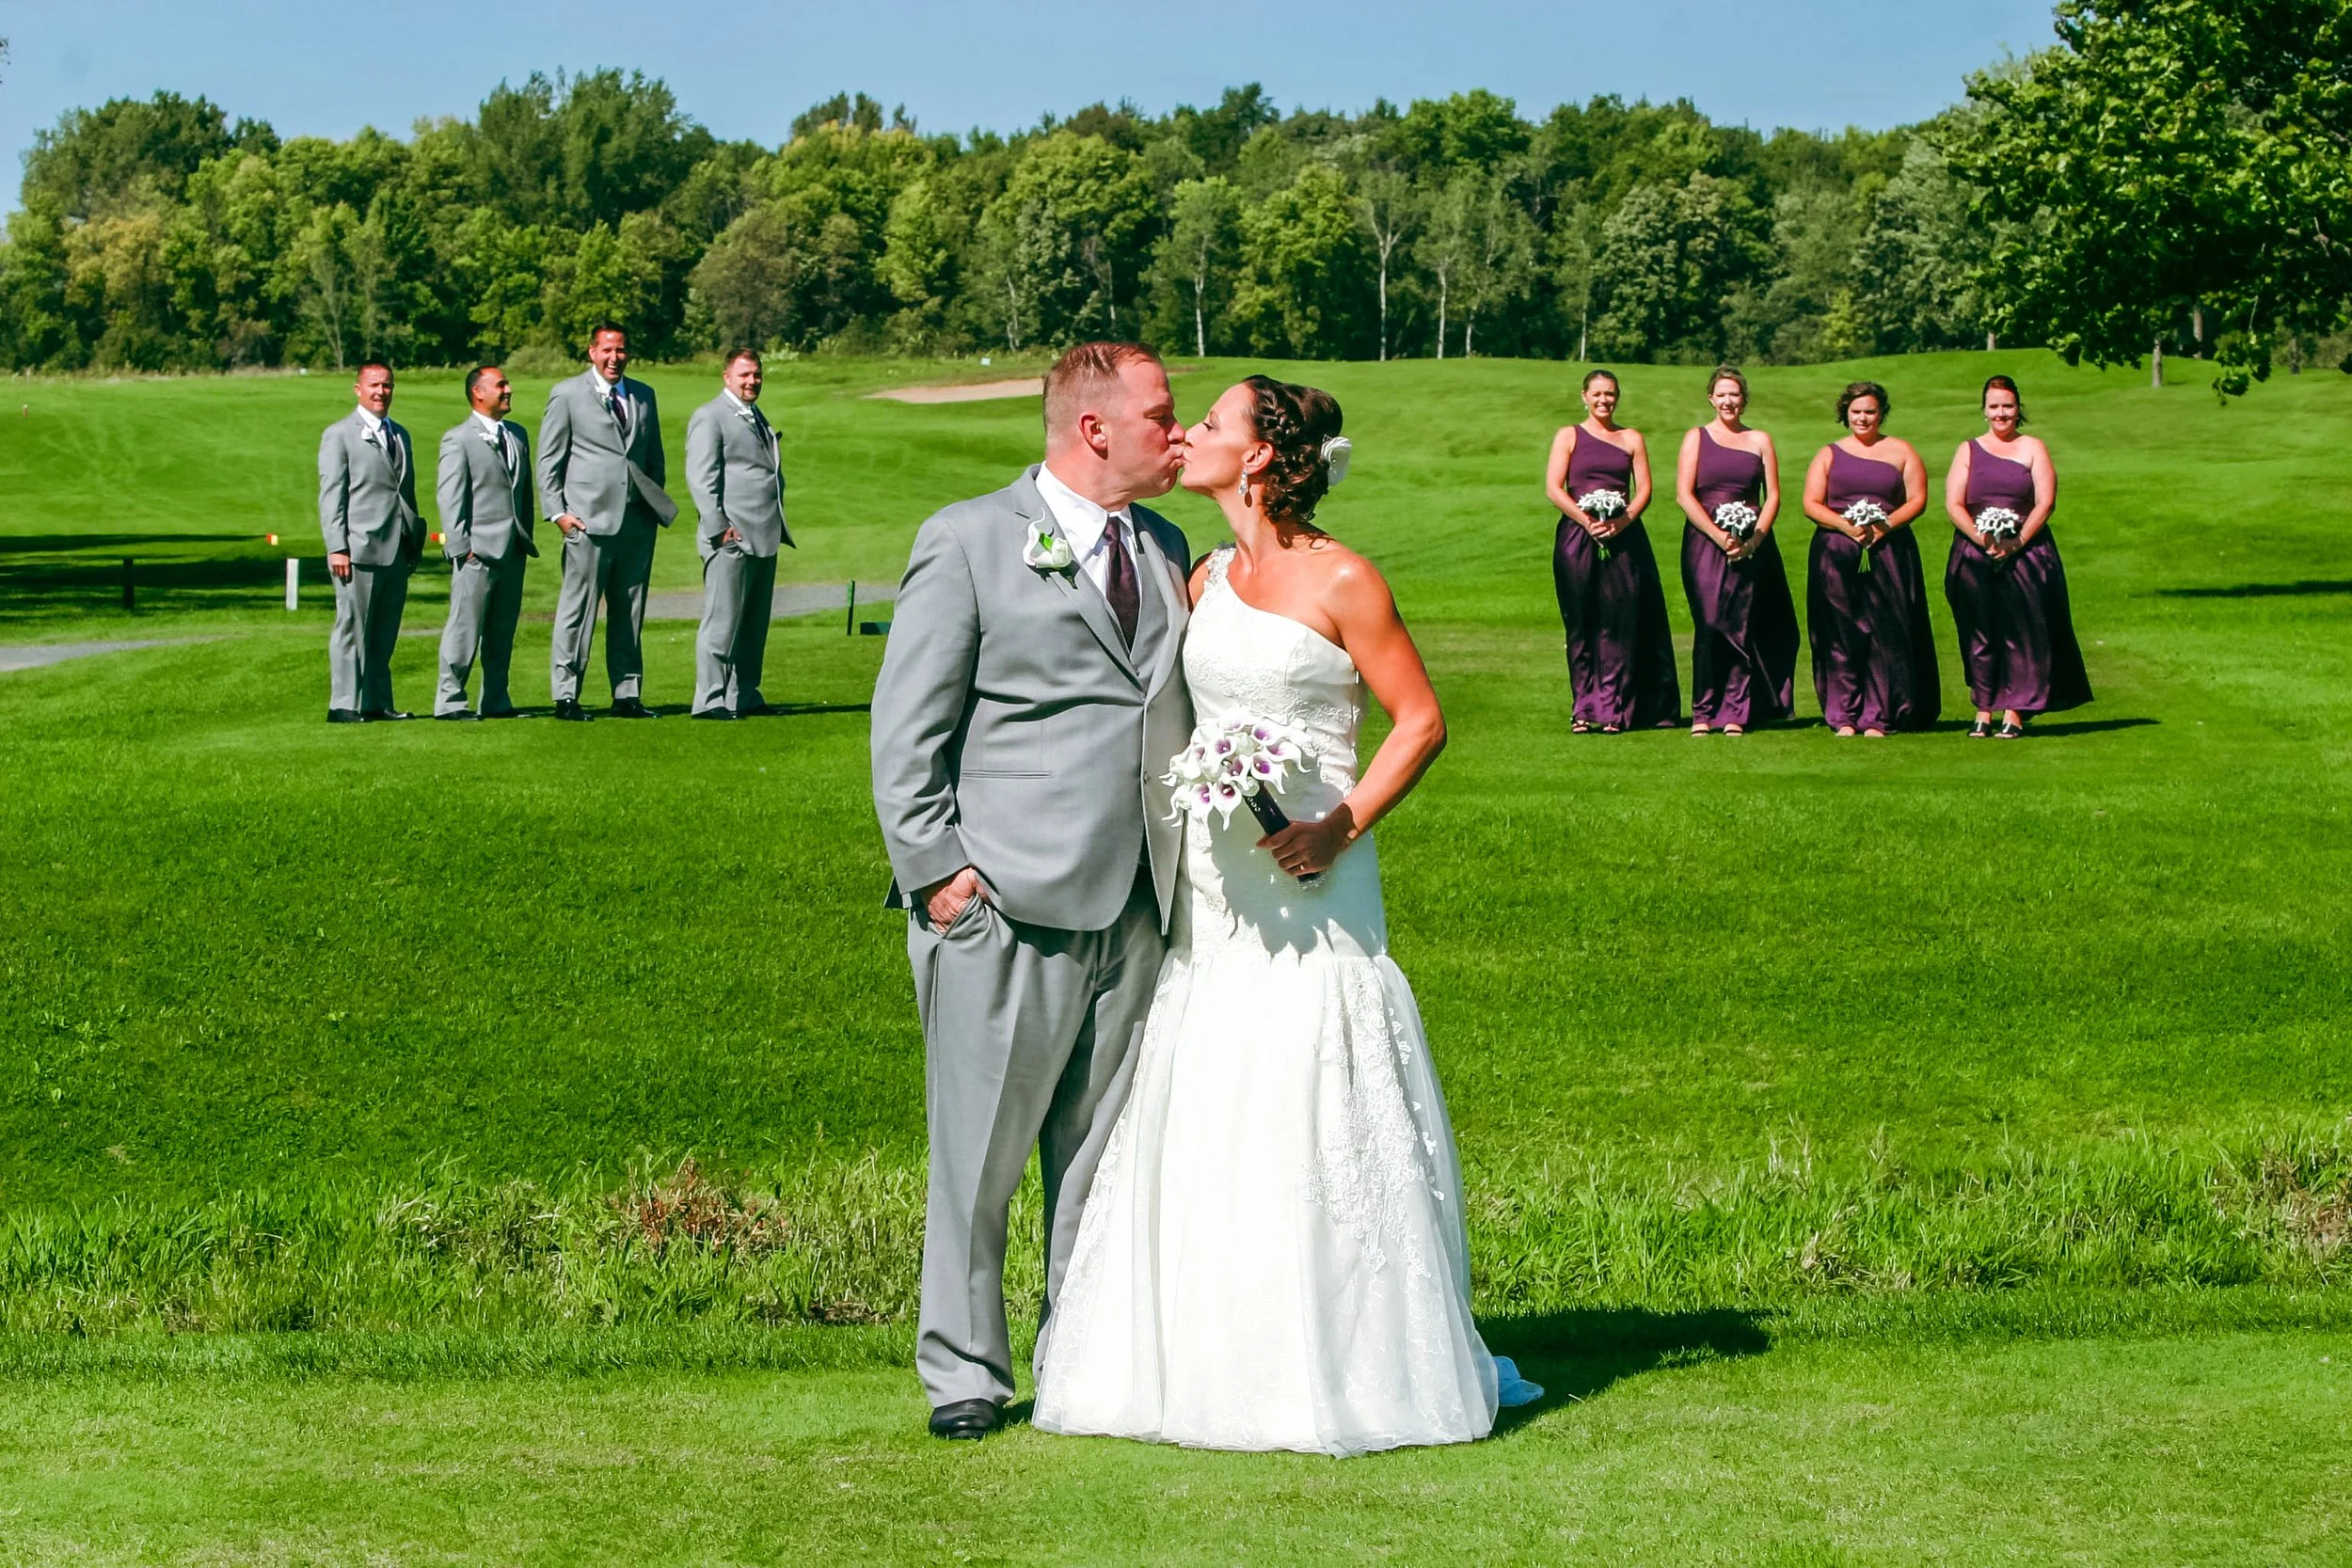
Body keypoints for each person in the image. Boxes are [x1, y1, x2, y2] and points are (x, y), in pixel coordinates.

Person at [1034, 374, 1540, 1457]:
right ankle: (1206, 1354)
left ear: (1262, 454)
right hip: (1213, 894)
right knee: (1216, 1074)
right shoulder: (1205, 571)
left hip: (1317, 878)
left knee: (1314, 1071)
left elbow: (1420, 721)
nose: (1190, 434)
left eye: (1210, 423)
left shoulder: (1344, 576)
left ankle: (1347, 1357)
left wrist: (1338, 824)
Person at [868, 341, 1194, 1443]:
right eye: (1161, 414)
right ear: (1094, 426)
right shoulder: (965, 540)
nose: (1177, 430)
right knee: (979, 1160)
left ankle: (1079, 1357)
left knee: (1098, 1162)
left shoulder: (1163, 542)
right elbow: (905, 731)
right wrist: (939, 875)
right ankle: (962, 1369)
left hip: (1139, 901)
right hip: (1000, 902)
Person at [539, 323, 676, 721]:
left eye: (621, 350)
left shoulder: (644, 395)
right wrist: (559, 514)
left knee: (630, 611)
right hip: (586, 522)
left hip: (636, 521)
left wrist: (651, 507)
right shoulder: (566, 395)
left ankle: (627, 694)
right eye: (607, 350)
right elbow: (549, 460)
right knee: (577, 611)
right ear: (592, 352)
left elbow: (654, 458)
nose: (615, 358)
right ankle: (566, 695)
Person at [1942, 375, 2092, 737]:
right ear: (1984, 410)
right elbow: (1953, 503)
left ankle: (2015, 711)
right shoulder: (1968, 449)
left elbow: (2046, 502)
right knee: (1979, 632)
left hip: (2027, 554)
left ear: (2018, 409)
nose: (2001, 413)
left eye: (2007, 406)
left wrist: (2017, 541)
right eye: (1994, 406)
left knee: (2023, 634)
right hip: (1974, 555)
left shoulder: (2034, 448)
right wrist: (1982, 539)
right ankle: (1983, 708)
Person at [1801, 381, 1940, 736]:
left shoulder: (1901, 450)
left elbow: (1917, 500)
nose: (1863, 418)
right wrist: (1846, 527)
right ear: (1845, 414)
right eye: (1856, 412)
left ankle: (1880, 714)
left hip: (1890, 552)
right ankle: (1843, 714)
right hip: (1835, 553)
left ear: (1881, 413)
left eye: (1870, 412)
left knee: (1885, 632)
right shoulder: (1828, 454)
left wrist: (1885, 525)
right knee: (1841, 632)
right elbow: (1811, 503)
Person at [1545, 369, 1679, 732]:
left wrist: (1622, 521)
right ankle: (1583, 709)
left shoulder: (1631, 437)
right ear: (1584, 397)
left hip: (1625, 539)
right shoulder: (1568, 435)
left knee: (1620, 622)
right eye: (1598, 394)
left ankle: (1615, 709)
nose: (1605, 400)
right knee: (1581, 621)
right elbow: (1554, 488)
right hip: (1577, 538)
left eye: (1611, 394)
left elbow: (1645, 489)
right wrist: (1586, 520)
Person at [1674, 366, 1800, 734]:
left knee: (1743, 624)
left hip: (1753, 542)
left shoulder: (1760, 439)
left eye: (1735, 394)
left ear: (1744, 399)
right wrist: (1717, 535)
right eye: (1722, 394)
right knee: (1711, 623)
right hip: (1704, 543)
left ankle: (1736, 712)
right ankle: (1703, 710)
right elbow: (1685, 494)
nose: (1729, 400)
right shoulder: (1696, 438)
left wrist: (1754, 539)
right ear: (1711, 398)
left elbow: (1773, 494)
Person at [686, 348, 793, 719]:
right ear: (726, 376)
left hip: (763, 532)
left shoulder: (756, 415)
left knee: (752, 625)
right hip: (730, 536)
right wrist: (719, 529)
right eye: (744, 375)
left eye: (757, 374)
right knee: (722, 621)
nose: (752, 381)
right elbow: (702, 479)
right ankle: (711, 699)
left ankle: (744, 694)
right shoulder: (710, 416)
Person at [316, 360, 424, 723]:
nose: (382, 392)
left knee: (384, 630)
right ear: (358, 389)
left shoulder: (400, 435)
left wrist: (413, 540)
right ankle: (343, 703)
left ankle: (377, 702)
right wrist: (337, 546)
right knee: (352, 627)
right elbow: (332, 495)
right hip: (357, 548)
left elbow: (404, 493)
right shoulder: (339, 434)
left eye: (388, 385)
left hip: (396, 547)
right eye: (375, 385)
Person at [432, 365, 536, 721]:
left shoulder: (518, 435)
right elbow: (450, 498)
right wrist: (462, 548)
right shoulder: (458, 439)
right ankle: (450, 702)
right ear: (478, 392)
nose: (509, 389)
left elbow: (523, 494)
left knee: (502, 632)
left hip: (512, 550)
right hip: (477, 552)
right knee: (464, 630)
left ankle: (496, 700)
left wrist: (524, 538)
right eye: (501, 385)